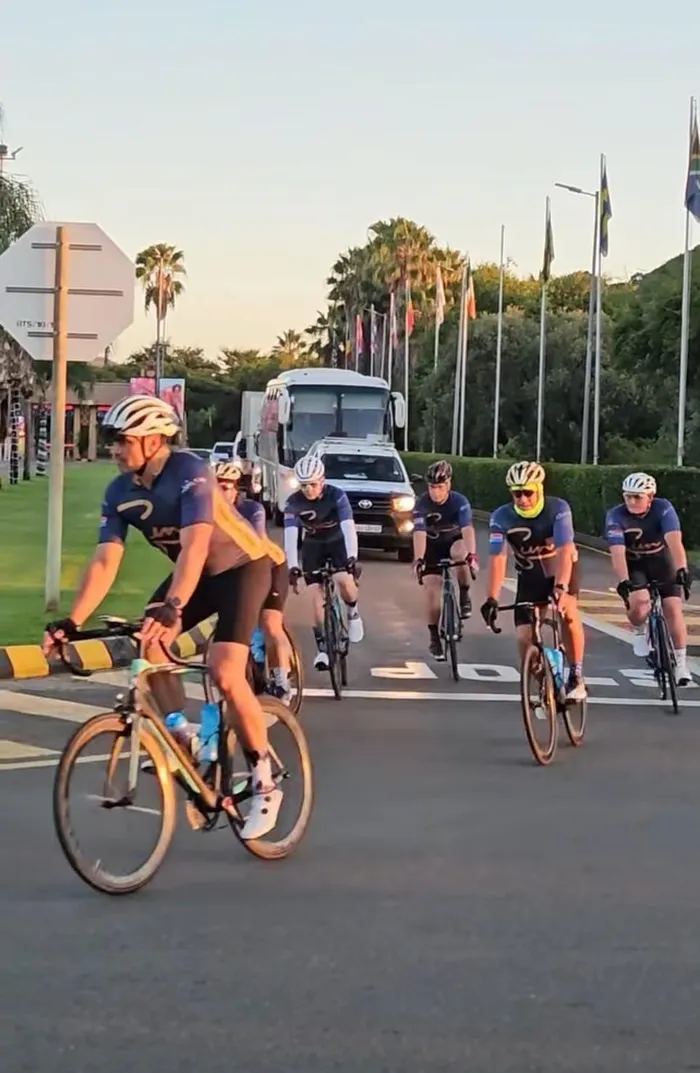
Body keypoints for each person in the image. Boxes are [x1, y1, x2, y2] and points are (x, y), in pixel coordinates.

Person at [42, 394, 286, 841]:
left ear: (152, 441)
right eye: (113, 440)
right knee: (149, 642)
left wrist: (173, 605)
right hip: (196, 576)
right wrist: (70, 622)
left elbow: (195, 548)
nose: (114, 449)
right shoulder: (120, 492)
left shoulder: (191, 473)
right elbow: (105, 561)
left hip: (242, 569)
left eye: (123, 440)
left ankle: (265, 781)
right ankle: (181, 733)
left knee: (225, 671)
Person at [480, 460, 587, 703]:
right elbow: (498, 558)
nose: (522, 499)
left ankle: (576, 675)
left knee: (568, 613)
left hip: (562, 570)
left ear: (539, 489)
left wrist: (561, 587)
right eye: (516, 493)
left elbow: (564, 550)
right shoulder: (501, 517)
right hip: (529, 576)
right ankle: (545, 682)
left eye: (528, 492)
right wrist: (492, 598)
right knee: (523, 638)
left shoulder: (557, 509)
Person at [214, 459, 293, 701]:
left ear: (237, 490)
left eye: (225, 487)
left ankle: (282, 680)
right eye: (216, 487)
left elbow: (256, 542)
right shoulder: (208, 509)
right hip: (237, 571)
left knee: (270, 623)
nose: (219, 492)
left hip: (270, 566)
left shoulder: (252, 510)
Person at [605, 471, 692, 685]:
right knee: (640, 604)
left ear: (651, 497)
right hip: (634, 564)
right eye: (627, 496)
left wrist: (682, 568)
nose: (632, 501)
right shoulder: (616, 515)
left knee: (673, 608)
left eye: (637, 497)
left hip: (661, 561)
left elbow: (674, 541)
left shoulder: (663, 509)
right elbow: (617, 551)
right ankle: (639, 629)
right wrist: (623, 580)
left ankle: (681, 664)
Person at [283, 454, 363, 670]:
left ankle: (353, 612)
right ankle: (323, 649)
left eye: (313, 484)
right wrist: (293, 566)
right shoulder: (293, 502)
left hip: (338, 542)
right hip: (313, 545)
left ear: (323, 480)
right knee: (314, 596)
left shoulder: (337, 496)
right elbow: (291, 535)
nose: (308, 489)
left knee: (344, 579)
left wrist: (352, 556)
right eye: (303, 485)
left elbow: (348, 527)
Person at [411, 459, 478, 661]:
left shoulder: (459, 502)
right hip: (431, 547)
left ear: (448, 485)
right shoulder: (422, 504)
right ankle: (434, 637)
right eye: (432, 487)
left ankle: (464, 593)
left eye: (440, 487)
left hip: (454, 541)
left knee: (460, 553)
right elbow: (419, 532)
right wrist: (419, 559)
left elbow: (467, 529)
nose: (436, 492)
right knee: (432, 591)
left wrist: (472, 554)